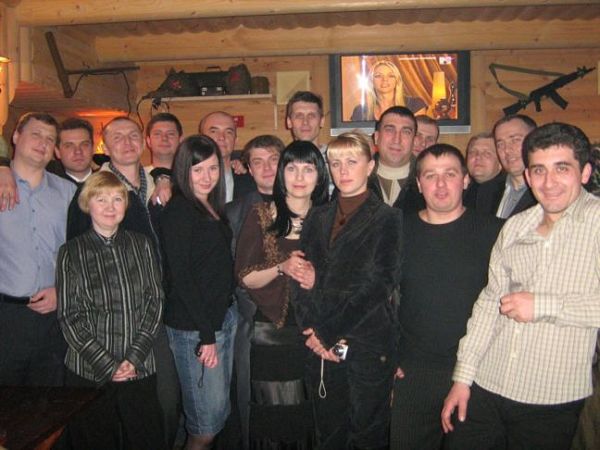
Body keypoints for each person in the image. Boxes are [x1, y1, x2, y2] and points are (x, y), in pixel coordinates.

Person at [441, 123, 600, 450]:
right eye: (539, 170)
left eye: (562, 168)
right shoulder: (515, 227)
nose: (548, 182)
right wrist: (462, 378)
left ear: (584, 172)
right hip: (486, 383)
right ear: (527, 176)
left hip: (549, 399)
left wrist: (544, 306)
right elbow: (488, 304)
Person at [67, 115, 181, 450]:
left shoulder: (158, 180)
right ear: (105, 143)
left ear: (143, 141)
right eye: (118, 136)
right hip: (109, 321)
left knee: (163, 405)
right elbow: (77, 258)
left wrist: (165, 176)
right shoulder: (92, 190)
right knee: (113, 417)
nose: (127, 142)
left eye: (133, 135)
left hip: (160, 311)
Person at [294, 131, 403, 450]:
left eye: (352, 162)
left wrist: (327, 333)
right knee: (328, 433)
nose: (343, 170)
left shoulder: (388, 218)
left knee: (366, 435)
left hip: (367, 342)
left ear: (370, 166)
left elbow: (380, 284)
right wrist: (312, 332)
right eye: (336, 163)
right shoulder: (317, 215)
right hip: (319, 343)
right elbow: (301, 275)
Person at [390, 144, 502, 450]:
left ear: (465, 180)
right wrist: (386, 356)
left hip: (479, 372)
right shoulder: (397, 230)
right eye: (430, 175)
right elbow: (377, 298)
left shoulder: (496, 232)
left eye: (450, 174)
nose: (440, 184)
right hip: (412, 372)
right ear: (418, 183)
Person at [56, 171, 164, 449]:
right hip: (89, 371)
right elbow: (69, 316)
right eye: (101, 199)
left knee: (146, 440)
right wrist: (108, 365)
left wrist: (133, 358)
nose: (110, 206)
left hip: (139, 367)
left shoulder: (142, 244)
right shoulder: (71, 251)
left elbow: (155, 301)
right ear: (87, 204)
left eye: (117, 199)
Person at [235, 140, 328, 449]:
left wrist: (318, 278)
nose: (299, 177)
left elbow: (345, 278)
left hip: (316, 333)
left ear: (319, 175)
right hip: (272, 335)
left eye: (308, 169)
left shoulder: (329, 217)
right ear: (281, 174)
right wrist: (282, 267)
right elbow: (246, 277)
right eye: (291, 168)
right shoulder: (262, 214)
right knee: (275, 420)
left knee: (311, 416)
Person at [160, 134, 239, 450]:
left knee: (212, 415)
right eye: (198, 170)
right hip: (196, 328)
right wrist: (206, 334)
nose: (207, 176)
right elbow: (180, 278)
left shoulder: (210, 205)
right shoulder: (179, 210)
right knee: (206, 427)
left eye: (213, 168)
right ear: (184, 171)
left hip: (221, 319)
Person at [0, 112, 76, 386]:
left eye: (50, 139)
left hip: (53, 317)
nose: (43, 143)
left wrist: (61, 289)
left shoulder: (69, 193)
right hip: (5, 315)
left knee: (49, 401)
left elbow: (79, 252)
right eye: (36, 134)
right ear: (16, 136)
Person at [222, 134, 284, 450]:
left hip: (294, 323)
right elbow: (228, 271)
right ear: (248, 168)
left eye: (273, 159)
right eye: (257, 162)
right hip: (250, 321)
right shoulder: (232, 212)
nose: (266, 168)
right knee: (250, 402)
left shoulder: (306, 204)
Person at [368, 106, 423, 212]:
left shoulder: (429, 180)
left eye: (406, 132)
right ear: (376, 137)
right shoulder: (356, 177)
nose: (397, 140)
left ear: (414, 141)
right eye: (389, 130)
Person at [198, 111, 256, 202]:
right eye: (214, 131)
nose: (222, 137)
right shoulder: (189, 178)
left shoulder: (249, 179)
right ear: (201, 139)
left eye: (228, 132)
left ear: (235, 140)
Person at [493, 114, 538, 218]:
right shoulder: (487, 191)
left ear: (535, 140)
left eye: (515, 140)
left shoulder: (549, 190)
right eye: (500, 144)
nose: (507, 150)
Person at [351, 60, 426, 121]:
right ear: (371, 81)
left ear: (397, 80)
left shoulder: (415, 105)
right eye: (378, 76)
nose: (385, 80)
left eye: (391, 76)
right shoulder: (360, 111)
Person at [463, 132, 505, 214]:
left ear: (500, 163)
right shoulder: (458, 189)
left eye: (487, 153)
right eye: (472, 152)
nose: (478, 157)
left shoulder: (508, 194)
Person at [49, 117, 96, 185]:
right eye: (69, 146)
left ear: (93, 148)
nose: (78, 151)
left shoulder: (109, 183)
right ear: (57, 152)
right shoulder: (47, 187)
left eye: (84, 145)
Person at [145, 111, 183, 178]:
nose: (164, 138)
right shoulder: (138, 177)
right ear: (148, 141)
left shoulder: (193, 177)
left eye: (171, 134)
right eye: (157, 134)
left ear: (180, 140)